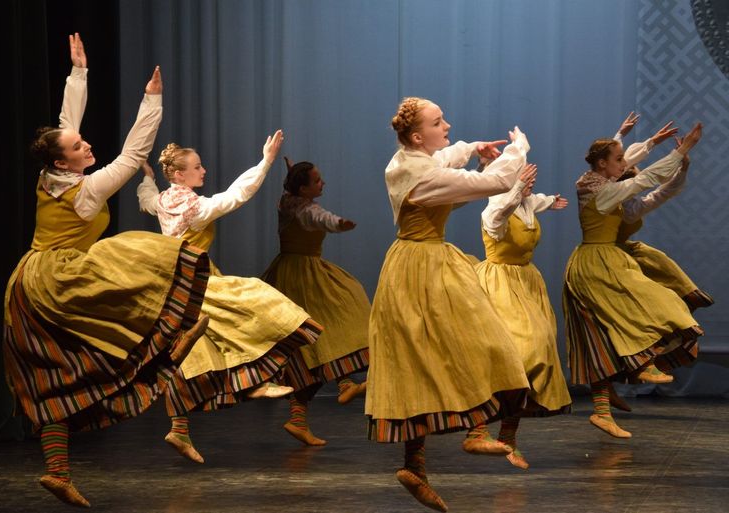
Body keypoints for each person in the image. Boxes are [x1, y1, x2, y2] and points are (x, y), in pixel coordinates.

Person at [3, 34, 211, 507]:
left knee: (56, 373)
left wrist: (78, 72)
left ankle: (57, 471)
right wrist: (151, 102)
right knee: (145, 259)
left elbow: (65, 123)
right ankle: (169, 345)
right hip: (60, 279)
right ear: (64, 160)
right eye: (79, 147)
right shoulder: (87, 190)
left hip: (27, 282)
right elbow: (133, 156)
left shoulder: (50, 175)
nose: (86, 144)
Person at [366, 96, 531, 512]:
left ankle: (435, 454)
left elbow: (446, 163)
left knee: (446, 351)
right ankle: (436, 454)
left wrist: (473, 149)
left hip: (423, 260)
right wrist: (518, 150)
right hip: (421, 266)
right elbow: (491, 184)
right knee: (434, 354)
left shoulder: (409, 161)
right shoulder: (419, 174)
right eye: (438, 122)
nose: (447, 126)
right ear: (417, 136)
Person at [137, 137, 322, 463]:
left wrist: (148, 179)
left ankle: (182, 426)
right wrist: (265, 162)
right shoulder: (195, 209)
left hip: (171, 283)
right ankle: (256, 382)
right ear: (179, 175)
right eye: (197, 167)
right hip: (195, 282)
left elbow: (147, 200)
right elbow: (236, 195)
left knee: (197, 354)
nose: (203, 170)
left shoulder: (165, 200)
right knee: (254, 303)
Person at [562, 122, 704, 439]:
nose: (625, 164)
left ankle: (603, 408)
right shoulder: (601, 191)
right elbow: (644, 178)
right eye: (619, 160)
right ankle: (643, 364)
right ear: (605, 165)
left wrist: (673, 161)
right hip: (595, 267)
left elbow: (655, 189)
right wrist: (681, 149)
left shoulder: (616, 197)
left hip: (607, 262)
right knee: (650, 309)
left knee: (602, 338)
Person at [260, 156, 370, 446]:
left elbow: (298, 201)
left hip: (292, 269)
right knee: (324, 334)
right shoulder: (305, 208)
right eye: (317, 180)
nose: (323, 183)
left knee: (308, 350)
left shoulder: (287, 200)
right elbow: (317, 217)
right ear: (303, 188)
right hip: (303, 277)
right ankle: (344, 382)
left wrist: (293, 174)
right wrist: (338, 223)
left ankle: (300, 417)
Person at [473, 163, 572, 470]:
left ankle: (508, 437)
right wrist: (516, 186)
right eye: (521, 177)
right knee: (515, 355)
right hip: (498, 285)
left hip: (527, 284)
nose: (529, 182)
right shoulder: (493, 209)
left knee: (538, 352)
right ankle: (477, 429)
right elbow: (501, 212)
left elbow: (534, 201)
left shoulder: (527, 203)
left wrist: (550, 200)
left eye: (529, 177)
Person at [613, 113, 714, 312]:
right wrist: (678, 151)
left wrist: (626, 135)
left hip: (625, 250)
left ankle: (688, 294)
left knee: (653, 256)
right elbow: (614, 166)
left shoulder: (628, 202)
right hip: (606, 254)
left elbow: (658, 191)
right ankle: (681, 298)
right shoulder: (613, 197)